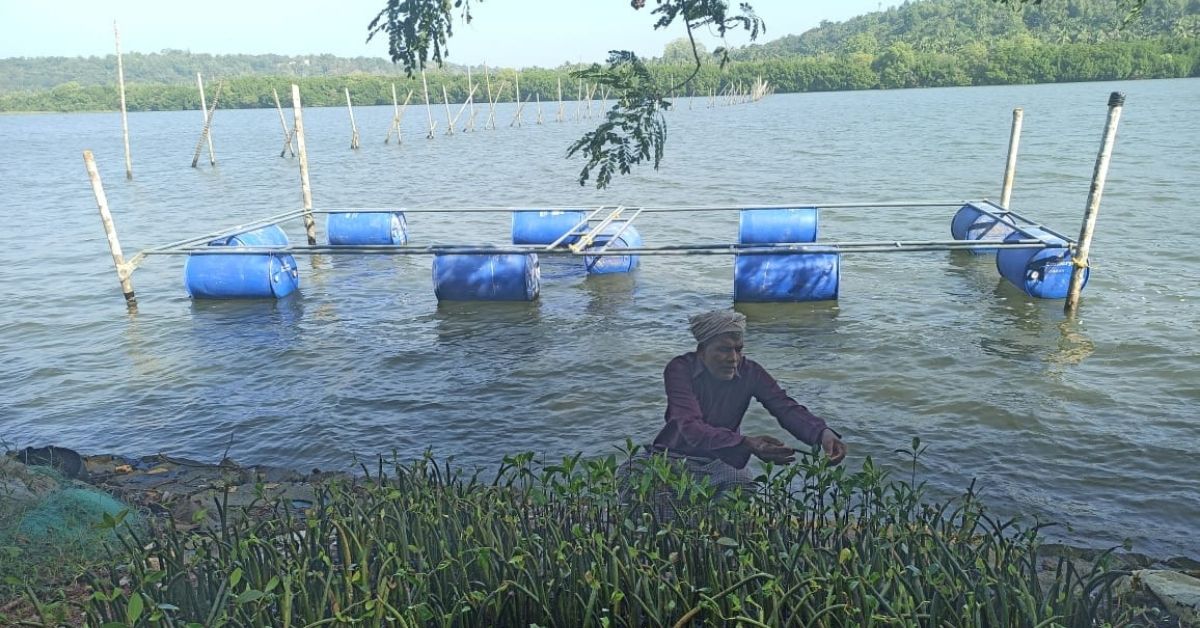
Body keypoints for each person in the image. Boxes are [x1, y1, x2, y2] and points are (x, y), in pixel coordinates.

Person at [648, 309, 847, 492]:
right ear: (702, 352)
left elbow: (785, 407)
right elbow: (690, 427)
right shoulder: (680, 369)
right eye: (724, 349)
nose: (733, 358)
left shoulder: (751, 372)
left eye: (738, 349)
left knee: (743, 487)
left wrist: (822, 434)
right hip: (673, 456)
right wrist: (748, 443)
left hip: (721, 459)